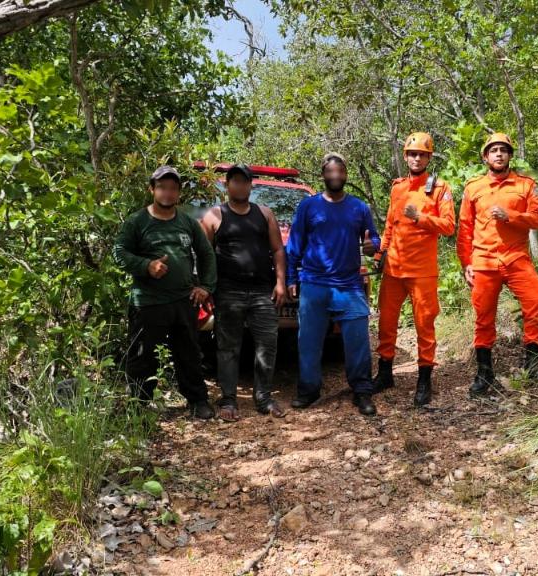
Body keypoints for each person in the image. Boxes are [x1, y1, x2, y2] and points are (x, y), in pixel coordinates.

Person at [113, 165, 217, 419]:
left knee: (189, 353)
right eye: (162, 187)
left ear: (178, 192)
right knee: (143, 355)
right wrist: (146, 266)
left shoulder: (187, 222)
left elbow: (206, 254)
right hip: (148, 301)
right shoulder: (137, 221)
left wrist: (205, 287)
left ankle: (198, 400)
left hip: (183, 299)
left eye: (172, 188)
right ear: (152, 189)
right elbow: (119, 252)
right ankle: (138, 406)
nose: (167, 193)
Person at [286, 153, 381, 416]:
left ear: (345, 174)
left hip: (349, 285)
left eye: (340, 171)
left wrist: (373, 245)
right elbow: (294, 245)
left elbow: (374, 239)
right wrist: (291, 277)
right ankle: (308, 390)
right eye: (330, 171)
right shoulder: (309, 206)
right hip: (314, 283)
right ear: (323, 175)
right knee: (309, 342)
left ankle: (362, 390)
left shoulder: (359, 208)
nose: (335, 175)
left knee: (357, 341)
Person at [456, 133, 538, 397]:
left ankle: (534, 365)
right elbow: (465, 228)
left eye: (503, 150)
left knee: (536, 296)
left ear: (509, 156)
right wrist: (466, 262)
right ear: (486, 157)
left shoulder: (525, 185)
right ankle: (484, 374)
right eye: (494, 150)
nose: (499, 154)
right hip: (484, 261)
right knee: (483, 316)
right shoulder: (473, 188)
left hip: (516, 258)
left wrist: (511, 216)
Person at [200, 164, 288, 421]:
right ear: (227, 185)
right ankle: (228, 400)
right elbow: (204, 255)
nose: (240, 186)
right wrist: (206, 287)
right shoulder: (214, 215)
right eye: (235, 181)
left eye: (245, 181)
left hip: (262, 291)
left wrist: (280, 282)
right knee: (228, 348)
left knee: (267, 345)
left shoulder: (265, 214)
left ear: (251, 185)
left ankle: (264, 398)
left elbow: (278, 250)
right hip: (228, 292)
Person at [374, 132, 456, 407]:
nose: (416, 158)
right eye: (412, 154)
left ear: (429, 157)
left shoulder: (440, 188)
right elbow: (390, 225)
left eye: (422, 154)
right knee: (386, 322)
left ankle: (424, 379)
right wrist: (380, 253)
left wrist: (420, 217)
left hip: (422, 270)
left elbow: (449, 226)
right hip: (393, 268)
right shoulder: (398, 188)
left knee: (424, 325)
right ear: (406, 156)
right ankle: (385, 373)